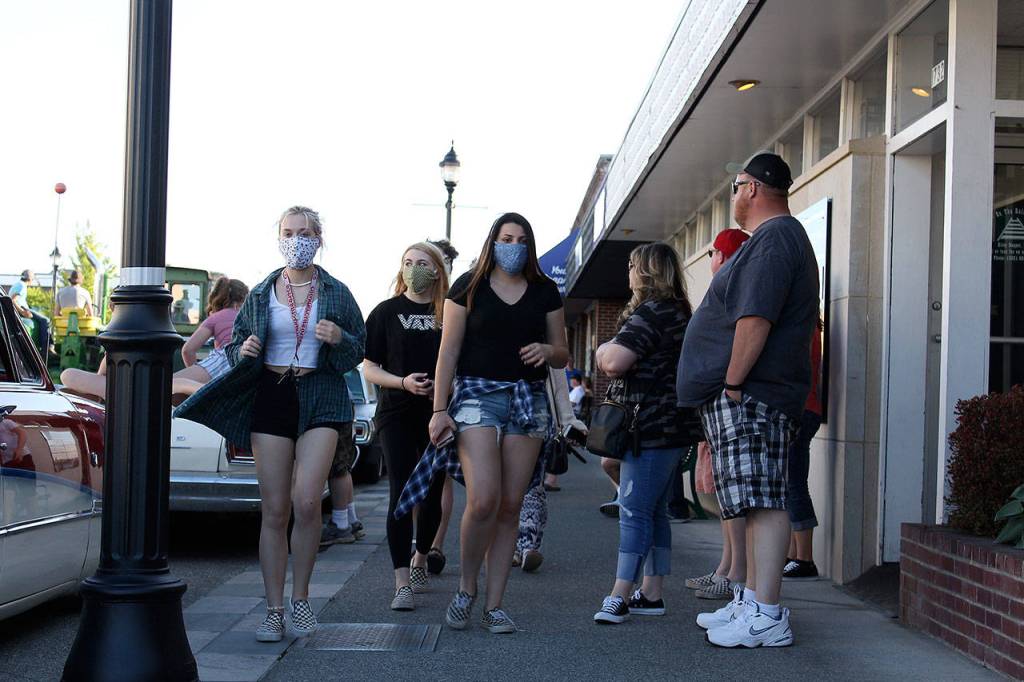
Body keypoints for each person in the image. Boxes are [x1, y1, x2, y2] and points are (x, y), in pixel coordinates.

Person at [175, 206, 365, 643]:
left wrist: (340, 339)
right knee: (275, 509)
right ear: (279, 238)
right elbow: (239, 341)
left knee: (306, 500)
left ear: (318, 238)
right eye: (288, 232)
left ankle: (301, 600)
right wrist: (247, 347)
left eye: (304, 232)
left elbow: (358, 349)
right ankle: (274, 609)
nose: (296, 239)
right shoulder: (262, 292)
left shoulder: (336, 292)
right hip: (272, 395)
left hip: (320, 397)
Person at [678, 152, 819, 648]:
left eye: (736, 185)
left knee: (763, 502)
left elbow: (754, 318)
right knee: (751, 502)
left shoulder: (777, 239)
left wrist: (734, 382)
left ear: (753, 188)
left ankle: (767, 612)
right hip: (750, 393)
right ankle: (751, 600)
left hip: (754, 393)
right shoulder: (775, 240)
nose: (734, 195)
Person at [416, 212, 568, 634]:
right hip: (476, 397)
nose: (513, 245)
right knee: (483, 498)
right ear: (493, 241)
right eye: (506, 237)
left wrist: (546, 350)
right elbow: (448, 351)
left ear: (529, 245)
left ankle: (495, 604)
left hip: (528, 398)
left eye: (520, 239)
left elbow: (563, 353)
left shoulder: (544, 291)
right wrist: (439, 409)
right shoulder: (468, 286)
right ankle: (467, 588)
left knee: (510, 505)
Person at [592, 242, 694, 625]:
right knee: (653, 511)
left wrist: (604, 347)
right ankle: (651, 593)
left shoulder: (653, 313)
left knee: (634, 510)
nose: (629, 272)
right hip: (669, 426)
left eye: (633, 265)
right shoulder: (679, 311)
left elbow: (615, 361)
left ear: (648, 271)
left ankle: (619, 595)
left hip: (648, 426)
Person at [360, 242, 449, 611]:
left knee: (431, 493)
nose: (414, 269)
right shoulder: (385, 312)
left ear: (437, 270)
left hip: (439, 414)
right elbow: (369, 367)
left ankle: (420, 556)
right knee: (401, 489)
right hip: (395, 411)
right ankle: (401, 582)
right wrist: (402, 382)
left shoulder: (450, 312)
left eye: (423, 263)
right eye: (408, 263)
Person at [685, 228, 752, 601]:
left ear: (723, 256)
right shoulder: (727, 288)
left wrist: (731, 383)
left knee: (737, 494)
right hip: (718, 402)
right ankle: (727, 566)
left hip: (732, 401)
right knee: (727, 493)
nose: (709, 258)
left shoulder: (734, 288)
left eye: (712, 251)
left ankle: (736, 573)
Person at [513, 365, 588, 571]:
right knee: (515, 487)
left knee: (532, 484)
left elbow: (557, 382)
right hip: (503, 414)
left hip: (539, 416)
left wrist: (568, 420)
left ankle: (526, 546)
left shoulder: (544, 336)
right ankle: (519, 545)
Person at [783, 318, 824, 580]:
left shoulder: (803, 324)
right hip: (803, 408)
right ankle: (794, 555)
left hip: (800, 410)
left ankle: (805, 558)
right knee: (790, 484)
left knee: (794, 484)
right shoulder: (808, 323)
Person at [178, 277, 249, 385]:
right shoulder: (249, 316)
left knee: (173, 385)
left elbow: (188, 350)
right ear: (244, 297)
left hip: (222, 362)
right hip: (246, 362)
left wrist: (197, 377)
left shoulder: (215, 318)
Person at [320, 428, 363, 547]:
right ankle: (350, 520)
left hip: (334, 418)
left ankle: (341, 525)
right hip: (344, 417)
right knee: (343, 467)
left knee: (338, 467)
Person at [9, 270, 50, 355]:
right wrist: (23, 312)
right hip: (22, 308)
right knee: (45, 320)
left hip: (21, 308)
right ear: (30, 279)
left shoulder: (17, 284)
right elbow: (13, 300)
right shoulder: (22, 286)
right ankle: (45, 349)